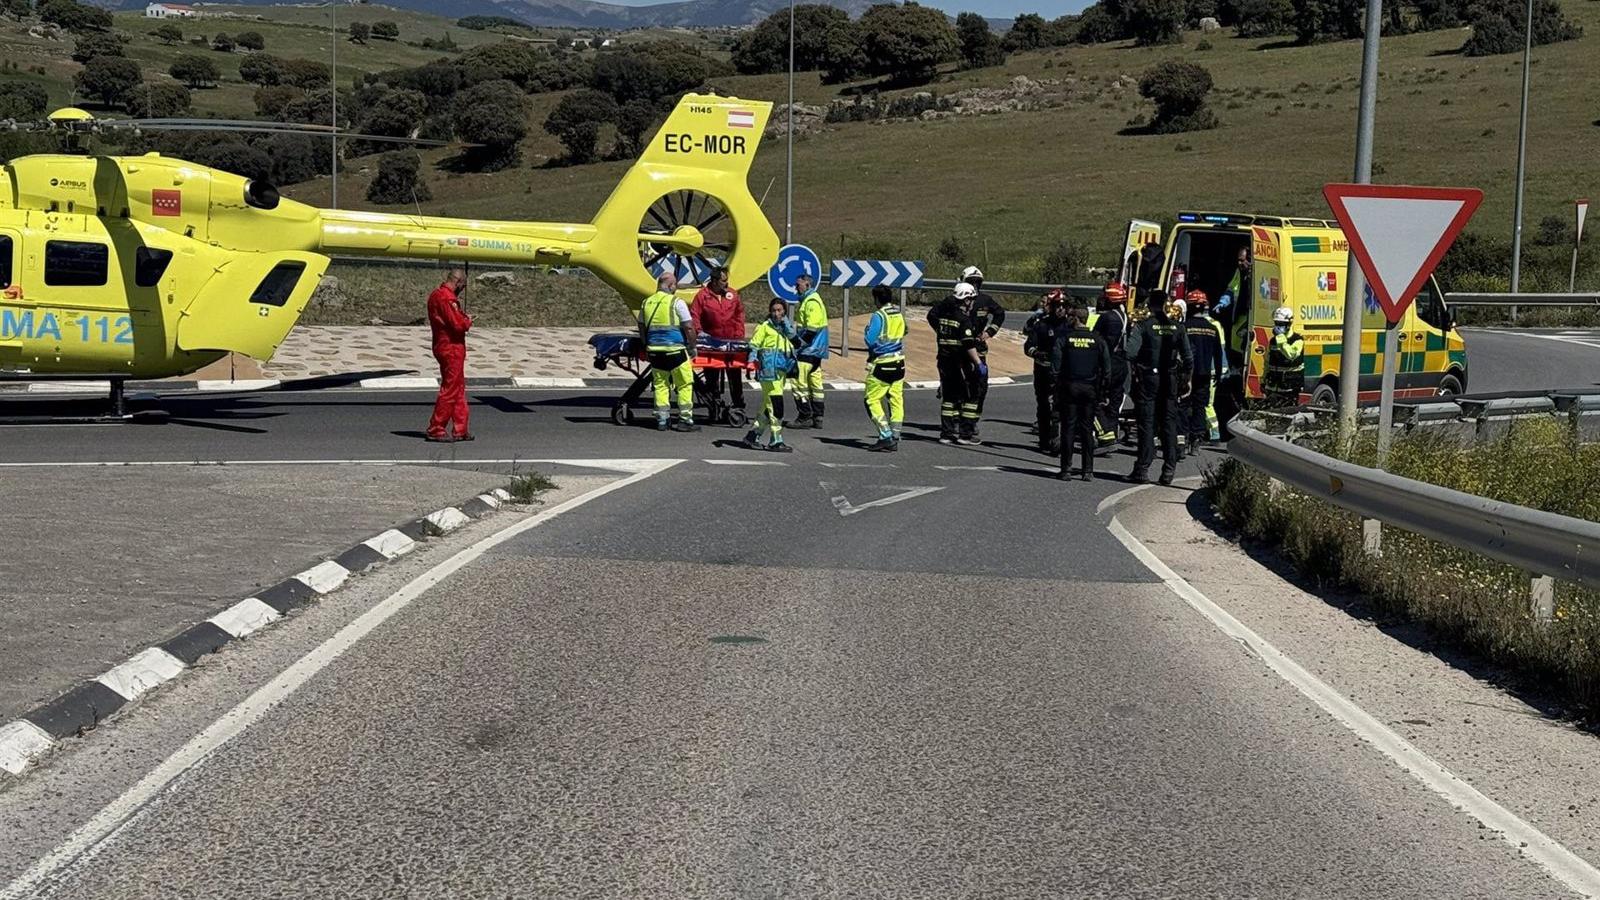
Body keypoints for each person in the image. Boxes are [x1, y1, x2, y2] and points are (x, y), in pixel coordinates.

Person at [1126, 290, 1193, 485]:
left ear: (1150, 304)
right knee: (1169, 423)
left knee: (1147, 423)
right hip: (1170, 379)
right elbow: (1188, 358)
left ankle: (1142, 468)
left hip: (1148, 378)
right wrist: (1186, 379)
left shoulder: (1143, 326)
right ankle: (1169, 469)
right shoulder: (1178, 327)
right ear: (1166, 304)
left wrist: (1140, 364)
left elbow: (1130, 352)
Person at [1054, 301, 1110, 482]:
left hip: (1069, 388)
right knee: (1087, 429)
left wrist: (1056, 388)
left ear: (1076, 319)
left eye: (1071, 317)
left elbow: (1055, 367)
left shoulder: (1065, 339)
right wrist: (1103, 391)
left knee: (1068, 428)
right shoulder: (1098, 340)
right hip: (1090, 388)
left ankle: (1066, 469)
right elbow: (1107, 368)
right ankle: (1088, 471)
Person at [638, 272, 699, 432]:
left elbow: (641, 326)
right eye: (675, 285)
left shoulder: (646, 303)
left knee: (660, 385)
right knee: (684, 384)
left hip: (655, 352)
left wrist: (646, 345)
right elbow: (689, 327)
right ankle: (685, 419)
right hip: (675, 350)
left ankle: (662, 419)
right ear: (671, 286)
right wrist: (693, 346)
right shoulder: (676, 302)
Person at [928, 282, 983, 444]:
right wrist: (978, 363)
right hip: (960, 363)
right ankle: (965, 434)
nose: (972, 302)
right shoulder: (963, 320)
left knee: (949, 398)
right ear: (966, 300)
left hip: (943, 361)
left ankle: (946, 433)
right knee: (971, 397)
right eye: (971, 299)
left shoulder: (944, 318)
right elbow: (968, 344)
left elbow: (932, 318)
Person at [690, 267, 745, 421]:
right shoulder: (702, 296)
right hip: (711, 345)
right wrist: (700, 333)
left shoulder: (732, 294)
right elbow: (694, 315)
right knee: (712, 377)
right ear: (714, 281)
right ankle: (714, 406)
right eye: (723, 280)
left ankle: (739, 406)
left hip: (731, 344)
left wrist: (739, 334)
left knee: (735, 376)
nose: (726, 283)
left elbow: (739, 314)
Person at [742, 299, 797, 453]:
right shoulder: (764, 327)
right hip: (768, 373)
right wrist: (751, 361)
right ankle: (776, 440)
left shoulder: (786, 328)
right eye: (774, 310)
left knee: (768, 406)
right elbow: (753, 345)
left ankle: (752, 435)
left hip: (780, 372)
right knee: (776, 406)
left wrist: (786, 325)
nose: (776, 313)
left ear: (785, 311)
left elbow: (796, 341)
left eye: (780, 310)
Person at [426, 268, 473, 443]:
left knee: (458, 389)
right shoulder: (447, 298)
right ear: (458, 282)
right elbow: (457, 325)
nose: (463, 289)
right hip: (450, 347)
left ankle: (461, 428)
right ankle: (436, 428)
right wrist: (467, 321)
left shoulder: (436, 295)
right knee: (450, 389)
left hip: (445, 345)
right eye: (463, 286)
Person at [960, 265, 1006, 438]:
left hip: (978, 350)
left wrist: (989, 332)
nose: (974, 285)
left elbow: (1000, 314)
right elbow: (935, 316)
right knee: (959, 386)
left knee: (980, 387)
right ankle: (959, 420)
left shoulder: (985, 300)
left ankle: (972, 421)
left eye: (977, 282)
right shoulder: (956, 299)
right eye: (971, 281)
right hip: (959, 349)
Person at [1023, 289, 1070, 454]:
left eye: (1064, 306)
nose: (1061, 309)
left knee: (1062, 407)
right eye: (1057, 306)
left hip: (1064, 373)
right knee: (1043, 405)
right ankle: (1044, 440)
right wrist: (1037, 353)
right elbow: (1028, 346)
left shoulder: (1070, 326)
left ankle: (1060, 440)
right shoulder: (1041, 325)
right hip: (1043, 371)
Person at [862, 285, 907, 452]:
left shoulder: (879, 315)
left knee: (871, 399)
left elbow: (870, 340)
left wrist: (867, 331)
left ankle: (885, 435)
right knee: (896, 399)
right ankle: (895, 435)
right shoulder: (898, 313)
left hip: (883, 363)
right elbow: (905, 330)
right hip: (899, 362)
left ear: (876, 299)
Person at [1183, 290, 1229, 450]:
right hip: (1205, 373)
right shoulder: (1212, 328)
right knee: (1200, 406)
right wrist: (1219, 373)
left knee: (1183, 405)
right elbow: (1218, 353)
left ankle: (1182, 438)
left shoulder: (1184, 327)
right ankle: (1196, 439)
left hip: (1187, 374)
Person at [788, 274, 829, 429]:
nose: (796, 288)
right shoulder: (811, 300)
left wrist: (798, 344)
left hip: (809, 350)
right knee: (815, 384)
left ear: (807, 285)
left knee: (798, 383)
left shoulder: (811, 302)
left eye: (798, 285)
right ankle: (818, 416)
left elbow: (811, 329)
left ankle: (805, 415)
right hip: (816, 351)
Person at [1093, 282, 1130, 447]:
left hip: (1108, 362)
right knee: (1115, 401)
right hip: (1121, 363)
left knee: (1096, 399)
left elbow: (1097, 341)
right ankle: (1112, 432)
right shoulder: (1124, 317)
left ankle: (1104, 433)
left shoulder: (1107, 318)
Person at [1264, 305, 1306, 409]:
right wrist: (1263, 380)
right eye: (1276, 323)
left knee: (1288, 416)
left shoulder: (1297, 340)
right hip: (1273, 387)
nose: (1278, 326)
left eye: (1281, 324)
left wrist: (1280, 338)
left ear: (1289, 323)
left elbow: (1291, 355)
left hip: (1289, 388)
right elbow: (1267, 362)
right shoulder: (1273, 341)